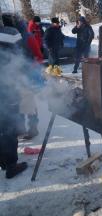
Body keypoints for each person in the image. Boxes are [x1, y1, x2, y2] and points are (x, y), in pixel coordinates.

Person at [0, 26, 28, 178]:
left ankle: (3, 162)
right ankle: (10, 165)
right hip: (6, 90)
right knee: (9, 127)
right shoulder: (10, 33)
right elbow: (21, 59)